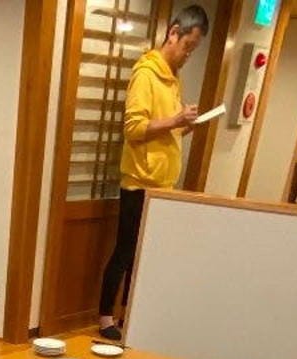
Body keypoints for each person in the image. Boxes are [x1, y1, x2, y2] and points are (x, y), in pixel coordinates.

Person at [97, 7, 209, 341]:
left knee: (145, 257)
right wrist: (175, 120)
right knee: (125, 251)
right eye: (187, 46)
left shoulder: (172, 77)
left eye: (194, 50)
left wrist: (185, 126)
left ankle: (131, 315)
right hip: (139, 181)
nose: (188, 55)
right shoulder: (145, 74)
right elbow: (134, 129)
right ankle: (105, 317)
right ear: (173, 33)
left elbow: (163, 132)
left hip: (163, 184)